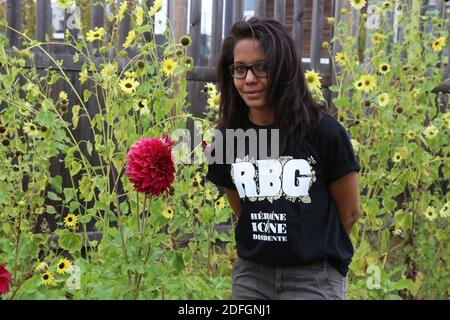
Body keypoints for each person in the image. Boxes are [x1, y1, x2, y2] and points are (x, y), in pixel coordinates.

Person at [205, 17, 361, 300]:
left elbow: (349, 214)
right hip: (251, 278)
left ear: (284, 69)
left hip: (314, 279)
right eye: (240, 69)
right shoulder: (227, 140)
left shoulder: (325, 133)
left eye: (261, 67)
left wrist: (311, 251)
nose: (249, 78)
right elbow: (242, 209)